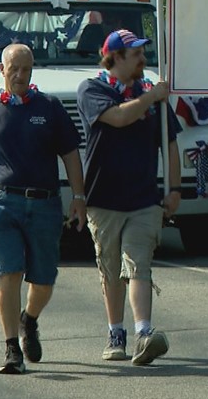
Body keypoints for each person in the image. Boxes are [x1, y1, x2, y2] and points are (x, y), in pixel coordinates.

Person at [0, 43, 86, 375]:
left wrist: (79, 198)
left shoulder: (49, 108)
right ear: (2, 70)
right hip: (1, 204)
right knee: (8, 273)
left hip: (44, 204)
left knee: (43, 280)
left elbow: (71, 154)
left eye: (26, 69)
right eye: (14, 69)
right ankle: (12, 349)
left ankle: (30, 319)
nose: (21, 76)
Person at [77, 29, 180, 365]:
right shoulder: (93, 90)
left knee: (138, 265)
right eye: (136, 54)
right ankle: (115, 333)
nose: (143, 59)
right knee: (110, 270)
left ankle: (144, 334)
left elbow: (171, 144)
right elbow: (119, 117)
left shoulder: (153, 97)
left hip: (143, 198)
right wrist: (153, 98)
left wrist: (175, 188)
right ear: (116, 57)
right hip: (103, 198)